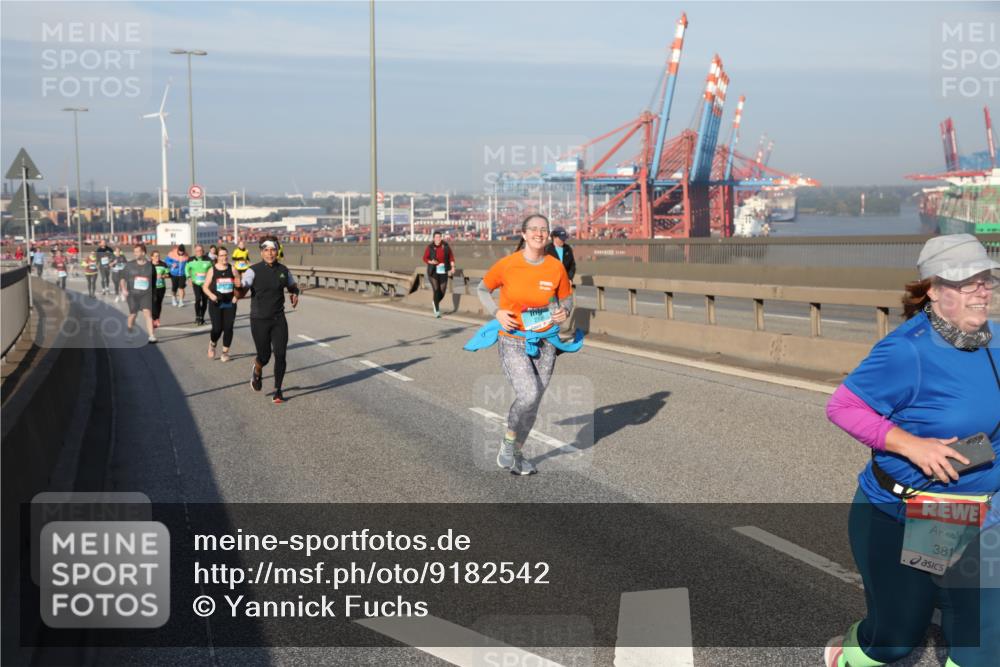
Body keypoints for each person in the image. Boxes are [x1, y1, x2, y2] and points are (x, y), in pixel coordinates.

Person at [823, 234, 999, 667]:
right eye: (966, 281)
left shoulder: (993, 340)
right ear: (935, 290)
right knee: (896, 640)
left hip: (990, 509)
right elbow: (842, 406)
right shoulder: (908, 351)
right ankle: (847, 652)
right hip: (927, 513)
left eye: (985, 277)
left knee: (985, 642)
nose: (982, 287)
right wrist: (910, 444)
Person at [470, 214, 577, 476]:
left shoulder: (555, 267)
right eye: (534, 229)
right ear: (523, 234)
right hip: (513, 340)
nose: (539, 233)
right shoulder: (508, 264)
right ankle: (508, 443)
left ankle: (517, 453)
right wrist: (496, 312)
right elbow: (483, 288)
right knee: (528, 393)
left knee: (535, 400)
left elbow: (567, 299)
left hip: (545, 341)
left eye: (544, 229)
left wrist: (563, 311)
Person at [238, 236, 299, 404]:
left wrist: (295, 293)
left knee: (280, 354)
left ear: (277, 251)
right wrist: (238, 288)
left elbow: (292, 285)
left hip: (278, 318)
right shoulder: (253, 270)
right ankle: (257, 370)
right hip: (259, 319)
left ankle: (277, 390)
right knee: (264, 356)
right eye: (266, 250)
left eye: (273, 250)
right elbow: (244, 287)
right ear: (261, 252)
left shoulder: (284, 270)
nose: (270, 253)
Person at [203, 246, 238, 362]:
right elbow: (205, 287)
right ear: (217, 257)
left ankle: (225, 353)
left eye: (226, 255)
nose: (224, 257)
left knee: (228, 328)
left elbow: (239, 284)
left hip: (230, 303)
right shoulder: (212, 270)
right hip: (216, 303)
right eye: (222, 255)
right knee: (217, 328)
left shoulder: (232, 269)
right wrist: (211, 295)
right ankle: (212, 343)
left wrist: (236, 296)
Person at [119, 243, 157, 344]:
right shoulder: (129, 265)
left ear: (143, 253)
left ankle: (151, 336)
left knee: (147, 313)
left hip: (146, 294)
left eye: (137, 252)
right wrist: (123, 289)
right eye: (134, 251)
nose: (135, 253)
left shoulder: (151, 266)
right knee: (133, 315)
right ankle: (129, 332)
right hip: (132, 294)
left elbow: (154, 282)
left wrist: (155, 294)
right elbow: (122, 278)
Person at [423, 231, 455, 317]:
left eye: (439, 237)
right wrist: (431, 261)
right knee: (436, 289)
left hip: (443, 270)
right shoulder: (430, 247)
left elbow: (451, 257)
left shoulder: (446, 246)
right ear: (433, 238)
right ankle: (437, 310)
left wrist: (452, 267)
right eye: (436, 237)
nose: (438, 239)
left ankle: (434, 302)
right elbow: (424, 258)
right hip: (433, 271)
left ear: (441, 238)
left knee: (442, 291)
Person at [185, 244, 213, 326]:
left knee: (204, 301)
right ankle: (197, 316)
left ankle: (202, 317)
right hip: (196, 283)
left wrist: (211, 280)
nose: (199, 252)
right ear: (195, 252)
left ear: (203, 251)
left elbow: (213, 270)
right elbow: (186, 269)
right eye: (197, 251)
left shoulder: (208, 259)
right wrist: (189, 277)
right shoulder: (190, 259)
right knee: (198, 299)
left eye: (200, 250)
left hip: (206, 284)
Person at [150, 250, 169, 328]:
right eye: (155, 256)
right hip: (151, 288)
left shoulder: (163, 264)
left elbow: (168, 274)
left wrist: (163, 276)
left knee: (158, 303)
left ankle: (157, 318)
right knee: (153, 303)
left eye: (158, 256)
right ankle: (154, 319)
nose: (157, 257)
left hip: (161, 287)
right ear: (152, 257)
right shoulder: (149, 265)